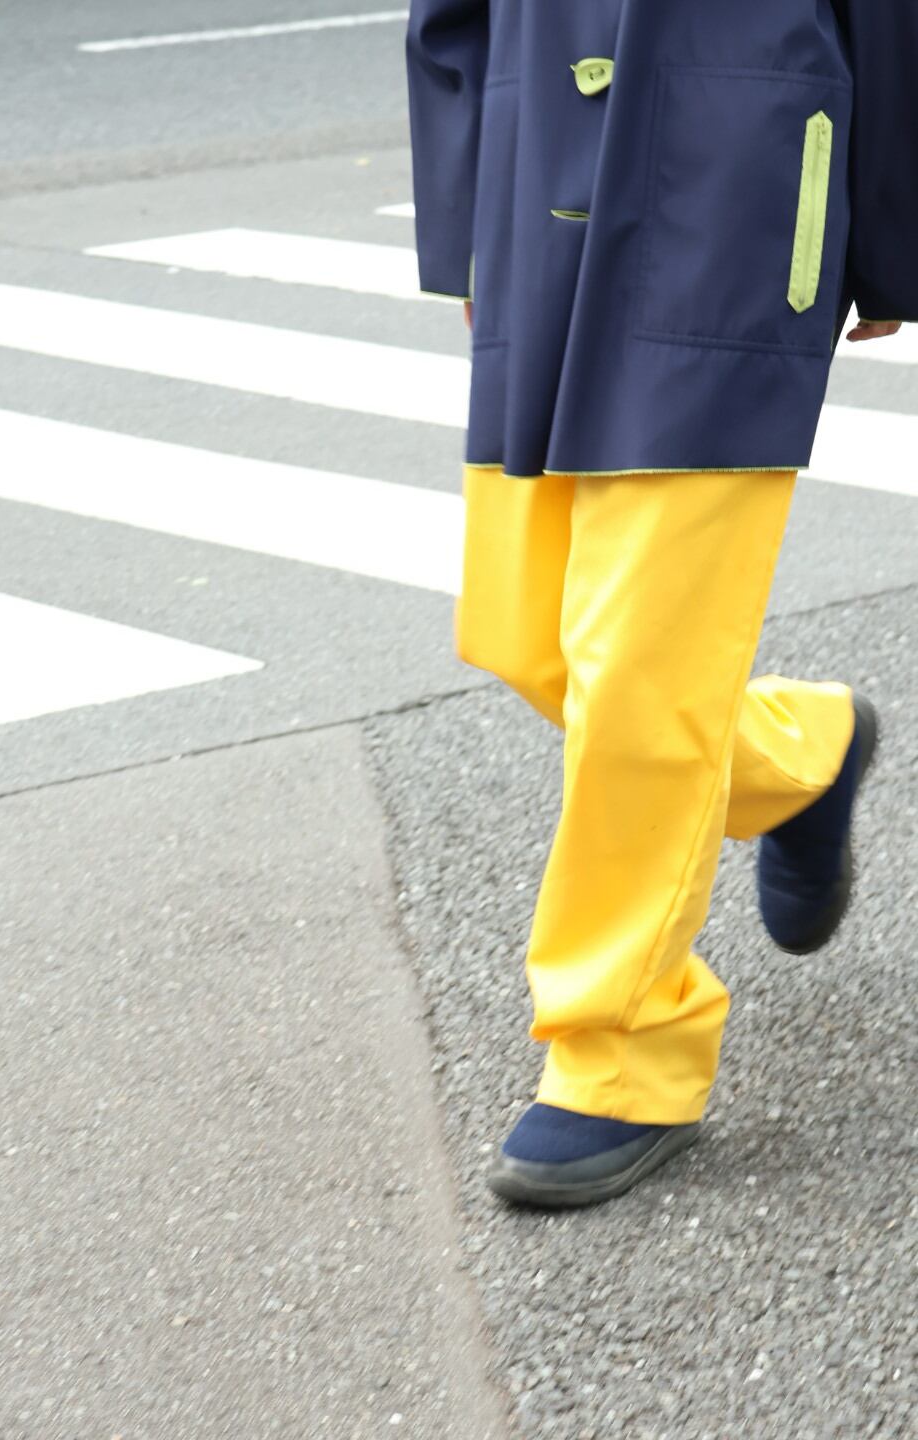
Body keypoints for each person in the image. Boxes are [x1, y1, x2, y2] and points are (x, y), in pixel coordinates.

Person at [405, 0, 916, 1207]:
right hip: (540, 187)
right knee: (528, 636)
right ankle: (799, 756)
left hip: (734, 185)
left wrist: (891, 229)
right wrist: (466, 214)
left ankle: (623, 1054)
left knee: (637, 665)